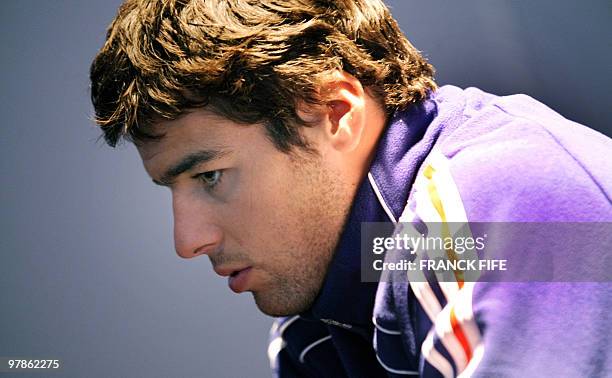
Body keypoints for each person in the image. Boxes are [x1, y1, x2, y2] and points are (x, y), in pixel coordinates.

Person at [89, 0, 612, 376]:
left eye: (209, 176)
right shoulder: (318, 334)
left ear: (335, 112)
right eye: (170, 187)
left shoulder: (509, 206)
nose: (188, 241)